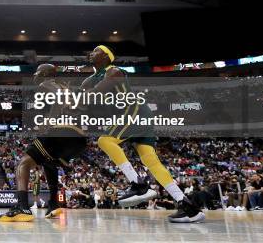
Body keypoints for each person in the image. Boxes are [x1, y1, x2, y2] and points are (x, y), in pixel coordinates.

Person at [85, 45, 205, 223]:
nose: (91, 53)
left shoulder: (114, 71)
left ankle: (139, 185)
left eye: (96, 51)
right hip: (138, 114)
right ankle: (189, 207)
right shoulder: (93, 77)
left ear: (106, 56)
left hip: (133, 110)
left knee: (105, 141)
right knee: (150, 160)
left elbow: (93, 95)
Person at [0, 64, 87, 222]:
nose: (35, 76)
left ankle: (22, 207)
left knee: (23, 164)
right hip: (79, 139)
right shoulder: (66, 87)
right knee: (49, 161)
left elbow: (58, 99)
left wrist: (50, 121)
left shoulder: (45, 84)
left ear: (45, 74)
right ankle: (54, 204)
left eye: (37, 72)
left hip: (61, 132)